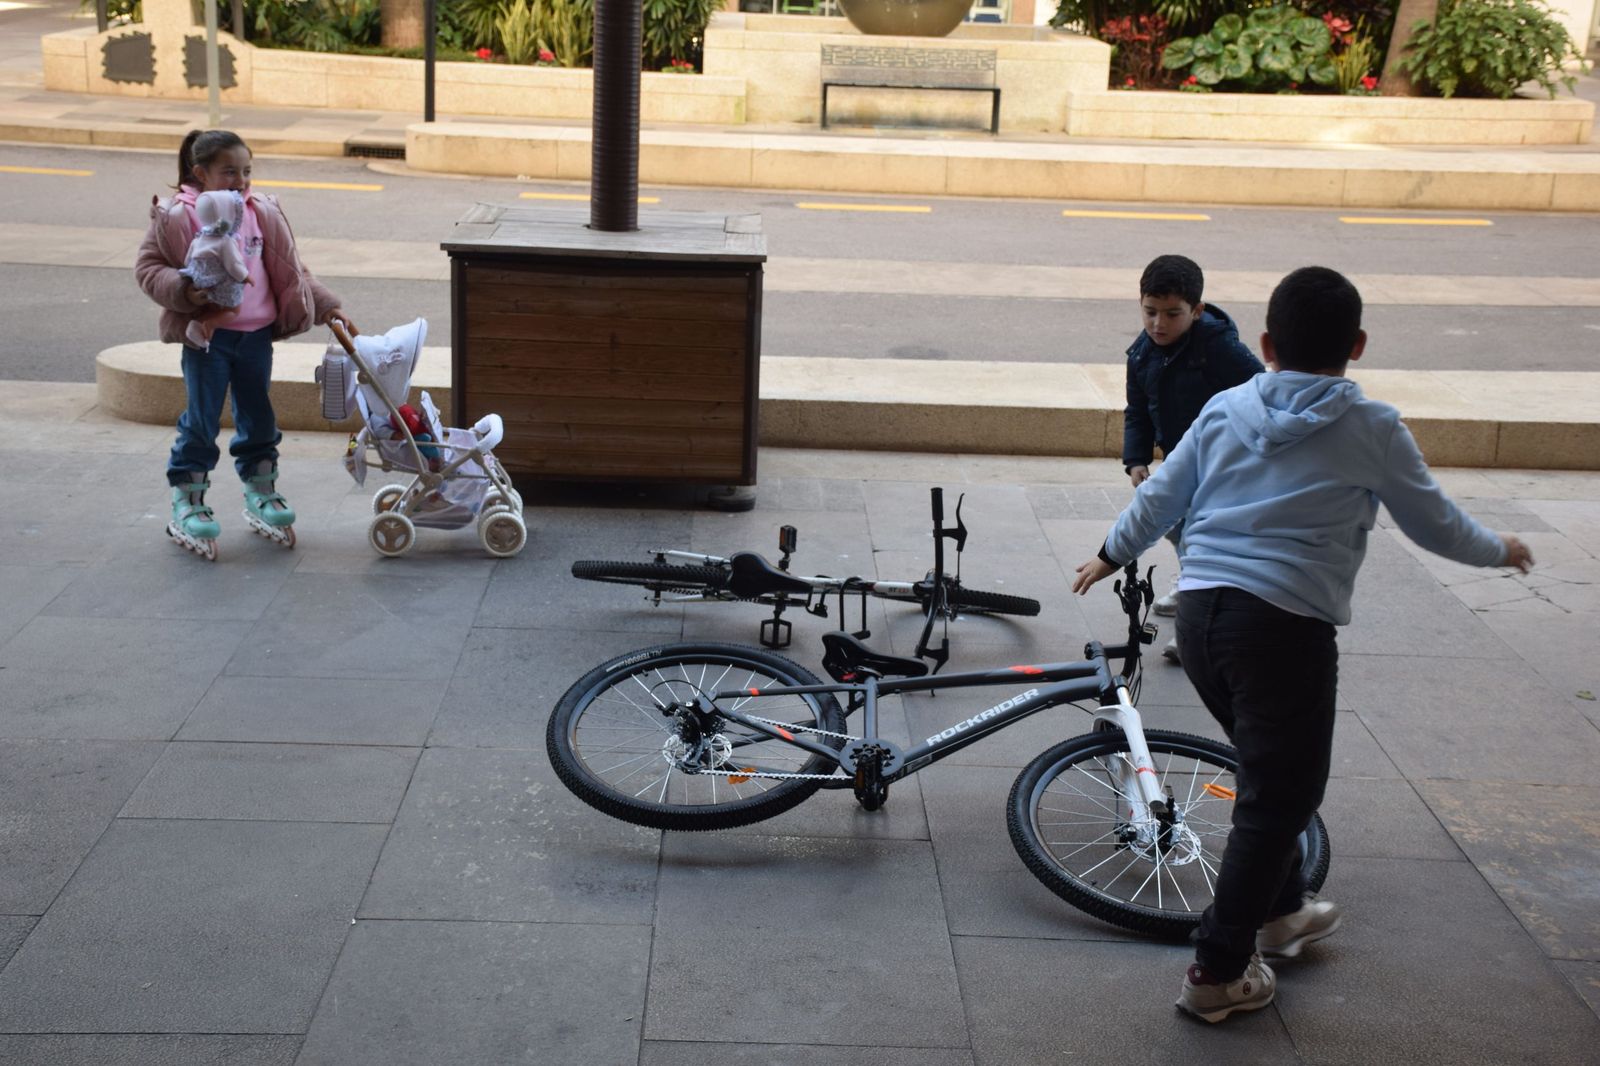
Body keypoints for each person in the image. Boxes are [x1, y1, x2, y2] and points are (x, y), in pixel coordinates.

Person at [1072, 266, 1533, 1024]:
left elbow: (1160, 495)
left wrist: (1113, 553)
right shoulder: (1373, 428)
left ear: (1265, 345)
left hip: (1206, 620)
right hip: (1283, 629)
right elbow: (1435, 524)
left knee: (1267, 771)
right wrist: (1500, 548)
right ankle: (1218, 971)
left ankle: (1282, 911)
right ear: (1356, 345)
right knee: (1279, 794)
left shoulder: (1226, 407)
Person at [135, 128, 356, 557]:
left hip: (256, 336)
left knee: (259, 415)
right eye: (229, 172)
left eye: (246, 171)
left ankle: (261, 488)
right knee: (202, 418)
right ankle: (188, 498)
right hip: (208, 339)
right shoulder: (179, 215)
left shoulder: (261, 211)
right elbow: (148, 268)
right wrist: (185, 291)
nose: (240, 180)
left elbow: (291, 268)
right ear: (200, 173)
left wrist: (327, 306)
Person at [1122, 254, 1263, 663]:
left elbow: (1263, 392)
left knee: (1199, 540)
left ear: (1197, 311)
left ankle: (1197, 629)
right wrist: (1135, 460)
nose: (1158, 324)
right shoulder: (1143, 353)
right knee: (1174, 528)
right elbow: (1137, 410)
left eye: (1172, 314)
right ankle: (1193, 587)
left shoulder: (1219, 349)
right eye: (1150, 312)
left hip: (1222, 468)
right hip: (1180, 463)